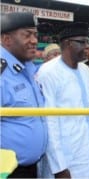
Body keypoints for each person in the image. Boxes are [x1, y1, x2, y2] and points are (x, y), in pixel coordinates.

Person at [36, 22, 89, 178]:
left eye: (88, 42)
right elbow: (49, 122)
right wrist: (59, 167)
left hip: (87, 150)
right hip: (65, 155)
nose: (87, 47)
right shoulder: (48, 72)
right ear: (67, 43)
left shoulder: (85, 71)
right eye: (82, 42)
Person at [0, 12, 48, 178]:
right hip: (8, 172)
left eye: (35, 35)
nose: (34, 41)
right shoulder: (2, 73)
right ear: (6, 40)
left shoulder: (28, 68)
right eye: (27, 35)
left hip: (32, 168)